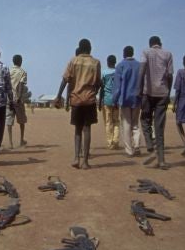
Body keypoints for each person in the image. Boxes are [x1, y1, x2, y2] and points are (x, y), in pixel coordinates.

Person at [55, 38, 102, 169]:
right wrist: (94, 92)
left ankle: (76, 158)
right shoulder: (96, 63)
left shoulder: (73, 60)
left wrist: (59, 96)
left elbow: (65, 80)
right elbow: (98, 83)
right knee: (87, 129)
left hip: (76, 100)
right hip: (89, 100)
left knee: (77, 130)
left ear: (80, 48)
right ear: (90, 48)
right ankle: (85, 161)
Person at [138, 36, 174, 169]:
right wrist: (168, 93)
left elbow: (141, 71)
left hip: (148, 92)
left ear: (150, 44)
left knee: (145, 120)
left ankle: (149, 145)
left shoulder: (145, 52)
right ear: (160, 44)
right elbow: (170, 75)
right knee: (159, 127)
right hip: (162, 93)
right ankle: (162, 160)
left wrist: (139, 89)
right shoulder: (168, 54)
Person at [111, 46, 142, 157]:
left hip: (124, 99)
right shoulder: (139, 66)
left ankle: (129, 150)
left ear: (124, 54)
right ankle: (137, 146)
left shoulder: (120, 66)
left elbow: (118, 87)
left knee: (126, 124)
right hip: (137, 99)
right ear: (132, 53)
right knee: (135, 124)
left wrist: (114, 100)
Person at [6, 54, 28, 149]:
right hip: (18, 100)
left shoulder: (8, 71)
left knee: (9, 120)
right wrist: (18, 97)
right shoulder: (23, 72)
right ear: (21, 61)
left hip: (9, 99)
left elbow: (6, 85)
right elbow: (20, 85)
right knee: (21, 121)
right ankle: (21, 140)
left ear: (13, 61)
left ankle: (10, 142)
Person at [98, 54, 120, 150]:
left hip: (106, 100)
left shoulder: (103, 73)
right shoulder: (119, 72)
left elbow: (101, 88)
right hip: (116, 101)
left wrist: (99, 102)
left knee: (108, 122)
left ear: (107, 62)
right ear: (115, 62)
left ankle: (110, 142)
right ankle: (115, 141)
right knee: (116, 121)